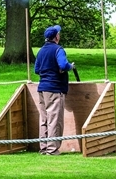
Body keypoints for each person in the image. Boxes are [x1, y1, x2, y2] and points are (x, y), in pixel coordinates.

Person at [34, 25, 75, 155]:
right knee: (54, 120)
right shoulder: (58, 49)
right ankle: (52, 150)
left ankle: (44, 147)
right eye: (59, 34)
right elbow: (63, 65)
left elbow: (36, 70)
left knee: (44, 120)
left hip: (42, 89)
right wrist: (70, 66)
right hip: (54, 89)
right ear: (56, 36)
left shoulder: (41, 51)